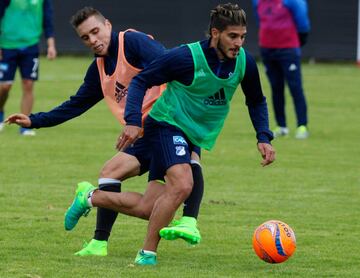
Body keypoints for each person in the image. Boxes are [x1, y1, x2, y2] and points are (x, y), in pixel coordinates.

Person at [65, 3, 275, 266]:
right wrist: (132, 121)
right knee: (183, 183)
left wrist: (263, 137)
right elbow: (141, 81)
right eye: (233, 36)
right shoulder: (186, 57)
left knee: (148, 207)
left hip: (193, 130)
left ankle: (89, 197)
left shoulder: (245, 62)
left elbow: (256, 100)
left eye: (243, 36)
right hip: (165, 123)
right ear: (215, 33)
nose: (239, 43)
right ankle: (148, 253)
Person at [5, 7, 204, 257]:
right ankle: (99, 243)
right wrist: (34, 120)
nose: (93, 41)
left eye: (95, 31)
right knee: (111, 174)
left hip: (169, 122)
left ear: (108, 25)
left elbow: (168, 61)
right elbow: (75, 105)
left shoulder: (131, 42)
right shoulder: (98, 70)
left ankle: (183, 221)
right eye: (85, 37)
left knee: (153, 203)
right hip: (143, 134)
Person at [252, 0, 310, 139]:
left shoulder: (293, 1)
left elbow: (303, 26)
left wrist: (292, 43)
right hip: (267, 49)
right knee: (275, 87)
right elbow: (260, 21)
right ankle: (282, 126)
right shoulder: (258, 2)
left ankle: (302, 126)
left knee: (295, 88)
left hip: (288, 49)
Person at [0, 0, 57, 135]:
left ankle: (24, 126)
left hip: (31, 45)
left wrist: (51, 45)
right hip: (7, 45)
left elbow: (47, 19)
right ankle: (0, 113)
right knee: (4, 87)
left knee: (28, 84)